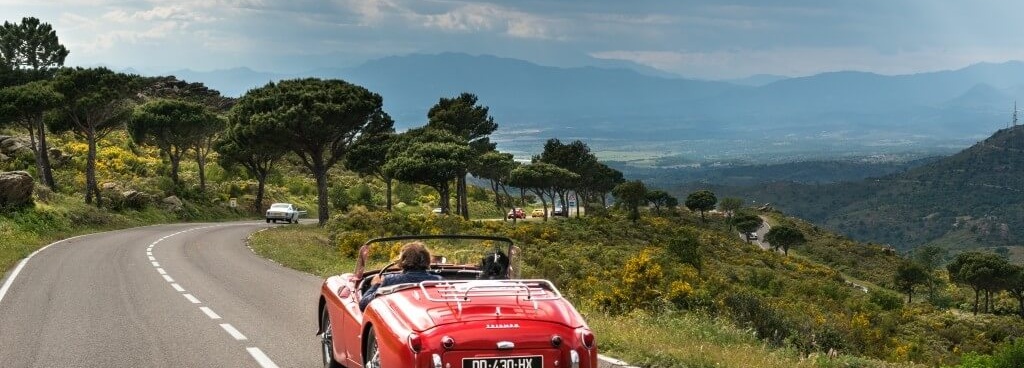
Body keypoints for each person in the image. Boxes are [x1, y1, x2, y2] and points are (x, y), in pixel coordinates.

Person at [359, 241, 442, 311]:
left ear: (402, 260)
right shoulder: (438, 281)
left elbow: (363, 305)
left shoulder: (389, 280)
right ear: (427, 260)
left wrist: (375, 285)